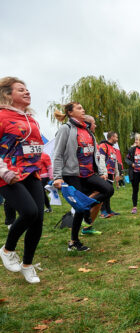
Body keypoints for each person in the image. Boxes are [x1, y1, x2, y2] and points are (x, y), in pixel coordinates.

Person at [0, 77, 45, 283]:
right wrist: (4, 172)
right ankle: (7, 250)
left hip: (32, 173)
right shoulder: (2, 116)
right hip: (9, 175)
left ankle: (27, 265)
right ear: (8, 95)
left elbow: (34, 147)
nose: (27, 92)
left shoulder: (31, 119)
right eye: (21, 90)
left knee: (38, 220)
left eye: (27, 89)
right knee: (29, 212)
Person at [52, 102, 114, 250]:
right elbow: (57, 154)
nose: (83, 109)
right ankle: (74, 242)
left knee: (108, 189)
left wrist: (101, 172)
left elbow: (96, 154)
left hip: (89, 173)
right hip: (73, 174)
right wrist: (57, 177)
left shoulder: (88, 131)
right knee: (79, 210)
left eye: (82, 108)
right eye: (79, 108)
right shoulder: (65, 129)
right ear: (70, 112)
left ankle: (84, 206)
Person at [98, 131, 120, 217]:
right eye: (116, 137)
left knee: (109, 192)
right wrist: (104, 172)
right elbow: (101, 160)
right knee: (104, 192)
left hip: (111, 173)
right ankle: (103, 211)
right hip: (105, 173)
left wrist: (117, 173)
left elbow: (115, 161)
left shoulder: (113, 148)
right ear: (111, 137)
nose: (117, 139)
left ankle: (108, 210)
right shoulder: (103, 146)